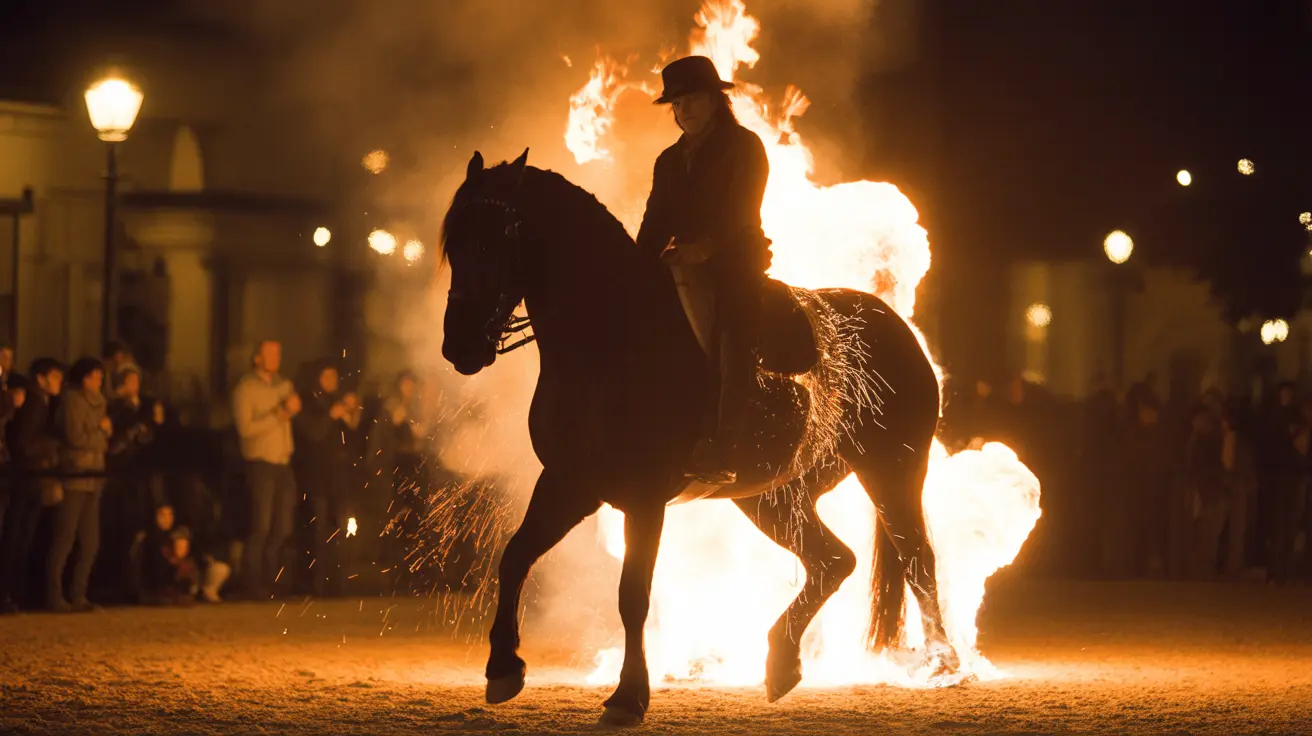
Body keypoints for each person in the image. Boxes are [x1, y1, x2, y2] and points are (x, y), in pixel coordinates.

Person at [636, 54, 770, 484]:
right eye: (677, 103)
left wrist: (702, 249)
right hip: (684, 262)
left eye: (693, 99)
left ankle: (723, 444)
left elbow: (741, 209)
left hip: (737, 261)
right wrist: (635, 265)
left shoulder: (745, 146)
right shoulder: (667, 162)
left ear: (715, 101)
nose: (685, 109)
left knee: (731, 332)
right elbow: (655, 221)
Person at [232, 340, 301, 599]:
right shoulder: (246, 389)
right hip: (260, 464)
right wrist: (280, 413)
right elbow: (246, 430)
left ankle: (276, 583)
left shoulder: (284, 385)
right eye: (269, 353)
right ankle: (253, 584)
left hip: (283, 464)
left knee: (282, 528)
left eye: (278, 353)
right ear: (257, 358)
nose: (275, 357)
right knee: (260, 526)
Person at [50, 357, 113, 612]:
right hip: (75, 475)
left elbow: (104, 439)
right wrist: (99, 430)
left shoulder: (100, 403)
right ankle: (54, 595)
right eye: (95, 376)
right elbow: (75, 437)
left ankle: (79, 594)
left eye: (100, 376)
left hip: (94, 475)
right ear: (84, 378)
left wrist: (99, 433)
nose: (99, 380)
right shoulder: (72, 401)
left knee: (90, 541)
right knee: (64, 537)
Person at [0, 359, 62, 612]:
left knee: (21, 536)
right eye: (55, 376)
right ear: (40, 378)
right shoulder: (35, 403)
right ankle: (8, 593)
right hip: (27, 477)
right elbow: (25, 443)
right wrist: (53, 445)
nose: (59, 382)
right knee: (18, 536)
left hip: (28, 475)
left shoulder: (39, 402)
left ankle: (12, 593)